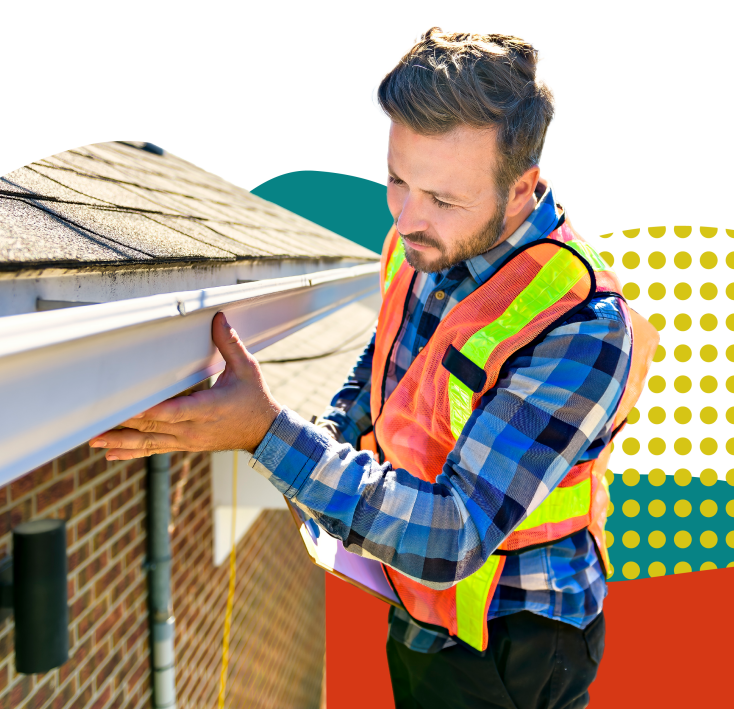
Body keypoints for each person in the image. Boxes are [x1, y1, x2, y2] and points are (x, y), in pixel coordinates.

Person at [90, 27, 657, 709]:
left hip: (514, 639)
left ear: (521, 189)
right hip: (419, 605)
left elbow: (451, 535)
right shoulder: (422, 240)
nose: (407, 217)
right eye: (397, 179)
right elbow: (386, 355)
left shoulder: (582, 327)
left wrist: (265, 433)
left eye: (443, 198)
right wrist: (332, 429)